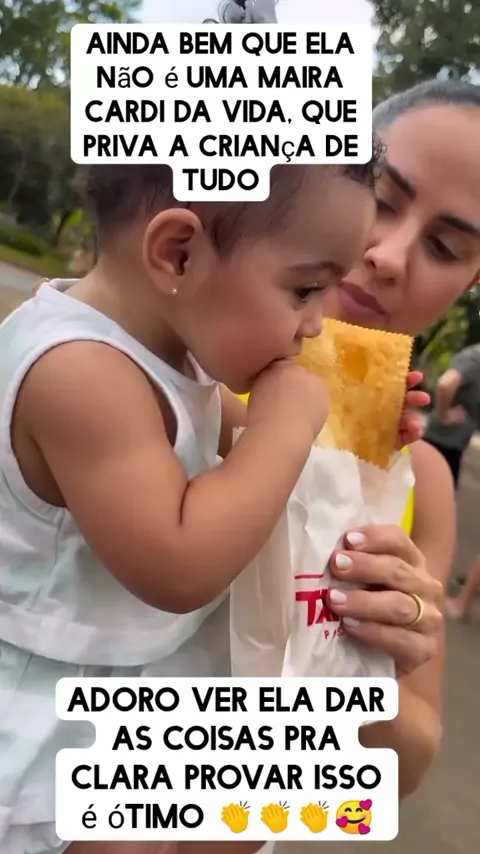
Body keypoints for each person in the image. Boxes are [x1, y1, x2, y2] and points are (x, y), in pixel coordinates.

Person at [0, 146, 382, 854]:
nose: (316, 324)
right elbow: (179, 565)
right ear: (177, 253)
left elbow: (259, 459)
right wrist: (283, 424)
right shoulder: (80, 372)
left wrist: (362, 431)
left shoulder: (171, 358)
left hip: (113, 685)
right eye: (305, 289)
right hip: (40, 711)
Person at [312, 78, 480, 814]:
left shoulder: (421, 482)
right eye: (380, 197)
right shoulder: (132, 356)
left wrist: (381, 661)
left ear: (469, 281)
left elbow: (404, 767)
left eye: (444, 247)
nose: (389, 254)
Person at [422, 345, 480, 487]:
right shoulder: (473, 360)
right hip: (441, 441)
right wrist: (444, 415)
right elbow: (445, 384)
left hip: (452, 443)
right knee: (437, 491)